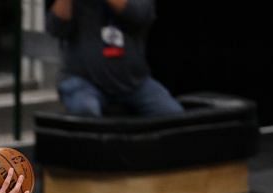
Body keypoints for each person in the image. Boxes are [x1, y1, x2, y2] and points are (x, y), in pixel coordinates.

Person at [47, 0, 184, 117]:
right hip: (82, 81)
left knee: (172, 113)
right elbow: (56, 27)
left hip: (133, 82)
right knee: (85, 109)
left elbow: (138, 14)